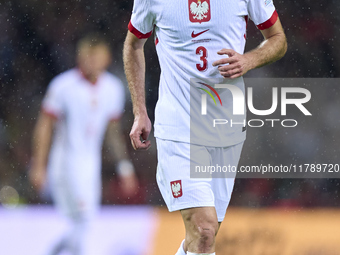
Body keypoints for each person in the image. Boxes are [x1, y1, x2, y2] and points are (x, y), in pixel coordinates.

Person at [123, 0, 287, 254]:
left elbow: (278, 38)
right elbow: (133, 44)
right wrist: (139, 111)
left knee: (203, 241)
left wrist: (249, 60)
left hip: (227, 129)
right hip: (178, 126)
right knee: (204, 229)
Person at [29, 34, 138, 255]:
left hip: (91, 166)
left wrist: (124, 167)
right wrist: (38, 165)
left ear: (106, 58)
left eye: (96, 56)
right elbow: (45, 127)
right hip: (65, 164)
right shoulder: (63, 86)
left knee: (82, 222)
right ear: (80, 57)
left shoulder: (113, 88)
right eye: (87, 56)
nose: (91, 61)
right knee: (84, 220)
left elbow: (112, 133)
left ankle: (53, 250)